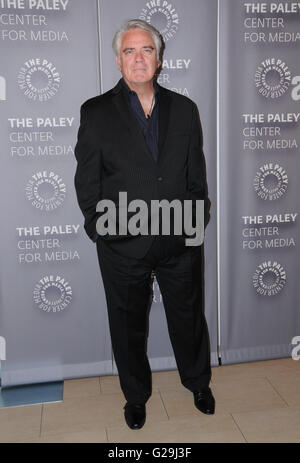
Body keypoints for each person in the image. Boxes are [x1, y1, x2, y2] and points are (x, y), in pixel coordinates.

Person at [74, 19, 215, 430]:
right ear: (118, 61)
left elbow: (196, 176)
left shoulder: (185, 109)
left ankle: (198, 383)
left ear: (158, 58)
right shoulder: (96, 112)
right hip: (122, 244)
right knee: (127, 326)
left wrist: (194, 226)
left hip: (179, 242)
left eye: (147, 51)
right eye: (130, 52)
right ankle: (135, 396)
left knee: (188, 319)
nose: (139, 59)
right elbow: (88, 182)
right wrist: (103, 230)